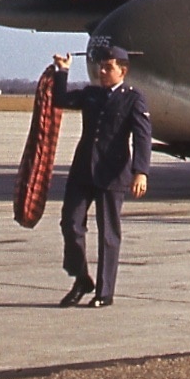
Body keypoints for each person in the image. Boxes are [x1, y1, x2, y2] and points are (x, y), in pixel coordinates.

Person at [50, 47, 152, 308]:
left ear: (123, 70)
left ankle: (104, 292)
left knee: (108, 234)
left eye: (108, 67)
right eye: (100, 67)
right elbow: (60, 99)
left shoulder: (133, 99)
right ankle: (82, 278)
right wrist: (62, 71)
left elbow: (142, 137)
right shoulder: (91, 94)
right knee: (70, 224)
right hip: (83, 171)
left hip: (112, 174)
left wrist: (140, 171)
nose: (101, 71)